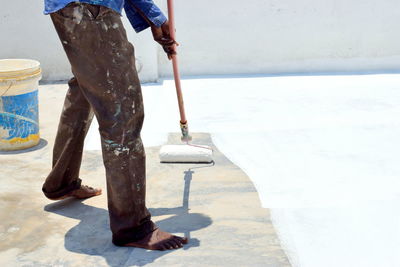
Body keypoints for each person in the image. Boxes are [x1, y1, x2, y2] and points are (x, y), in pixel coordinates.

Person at [41, 0, 187, 250]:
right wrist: (153, 15)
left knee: (85, 89)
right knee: (122, 110)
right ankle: (132, 227)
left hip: (75, 7)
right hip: (89, 10)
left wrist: (150, 17)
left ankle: (61, 181)